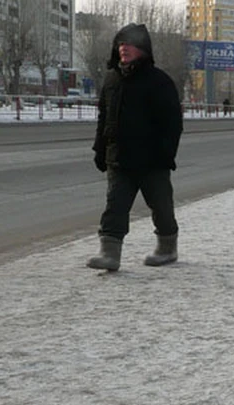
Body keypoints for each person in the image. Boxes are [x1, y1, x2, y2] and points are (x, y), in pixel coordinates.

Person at [88, 23, 183, 271]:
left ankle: (167, 248)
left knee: (161, 207)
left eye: (129, 44)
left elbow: (173, 124)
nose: (123, 48)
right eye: (120, 44)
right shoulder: (112, 79)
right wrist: (100, 150)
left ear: (143, 49)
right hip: (119, 159)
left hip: (152, 162)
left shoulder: (159, 82)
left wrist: (165, 155)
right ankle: (110, 254)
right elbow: (103, 118)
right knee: (115, 207)